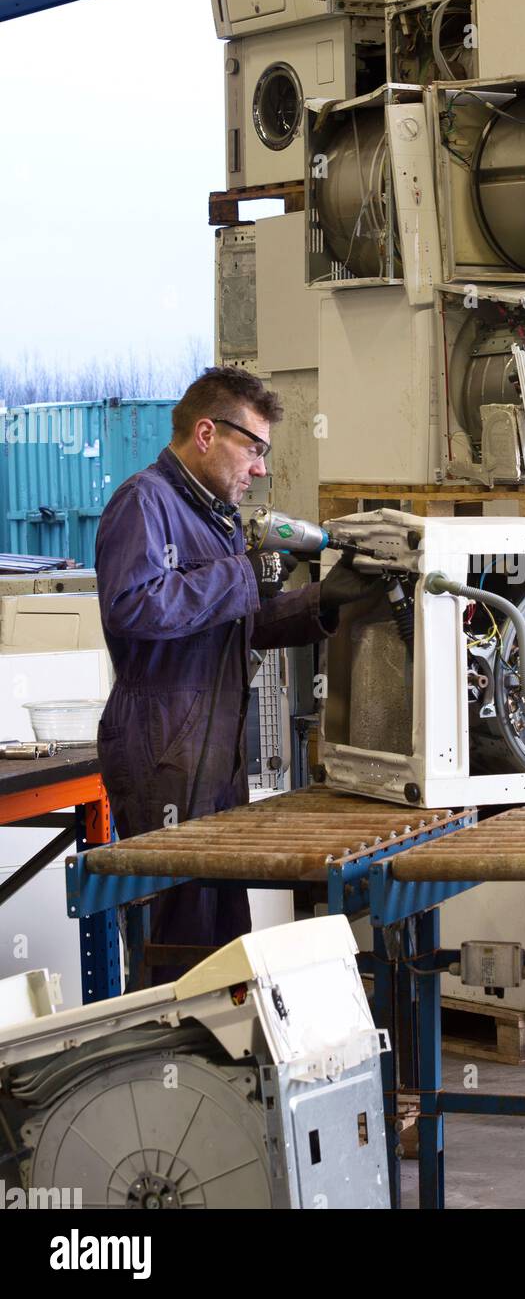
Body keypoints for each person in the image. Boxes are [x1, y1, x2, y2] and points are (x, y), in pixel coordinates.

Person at [95, 366, 377, 981]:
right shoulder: (145, 503)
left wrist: (325, 601)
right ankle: (162, 1061)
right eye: (254, 448)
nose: (260, 468)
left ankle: (217, 1069)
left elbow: (239, 625)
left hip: (215, 744)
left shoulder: (213, 518)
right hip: (163, 742)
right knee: (180, 932)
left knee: (224, 936)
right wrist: (246, 573)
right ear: (205, 432)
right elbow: (132, 606)